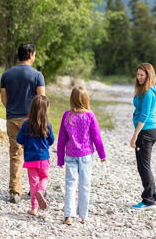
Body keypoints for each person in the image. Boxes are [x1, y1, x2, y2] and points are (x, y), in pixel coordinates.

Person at [0, 43, 45, 203]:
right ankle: (38, 188)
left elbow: (3, 98)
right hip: (31, 120)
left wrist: (12, 110)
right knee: (35, 154)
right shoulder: (37, 75)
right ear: (31, 54)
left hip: (12, 119)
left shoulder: (6, 75)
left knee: (15, 154)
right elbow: (41, 100)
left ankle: (15, 191)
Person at [57, 86, 106, 225]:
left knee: (70, 184)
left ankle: (68, 216)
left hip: (70, 154)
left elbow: (62, 138)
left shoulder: (67, 115)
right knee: (85, 185)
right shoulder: (89, 115)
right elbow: (96, 137)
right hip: (85, 155)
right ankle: (83, 215)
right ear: (86, 99)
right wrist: (102, 154)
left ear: (72, 99)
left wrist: (60, 158)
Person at [129, 63, 156, 210]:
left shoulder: (148, 92)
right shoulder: (151, 90)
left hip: (146, 132)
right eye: (138, 74)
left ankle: (148, 200)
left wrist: (135, 135)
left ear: (149, 75)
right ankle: (154, 196)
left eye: (142, 75)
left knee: (143, 167)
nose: (139, 77)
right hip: (151, 130)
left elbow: (144, 115)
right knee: (145, 165)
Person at [16, 95, 54, 216]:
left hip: (31, 160)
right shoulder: (47, 125)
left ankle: (34, 209)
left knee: (33, 183)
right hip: (44, 159)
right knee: (44, 178)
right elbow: (51, 140)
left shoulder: (26, 124)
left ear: (32, 108)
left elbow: (19, 139)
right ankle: (41, 191)